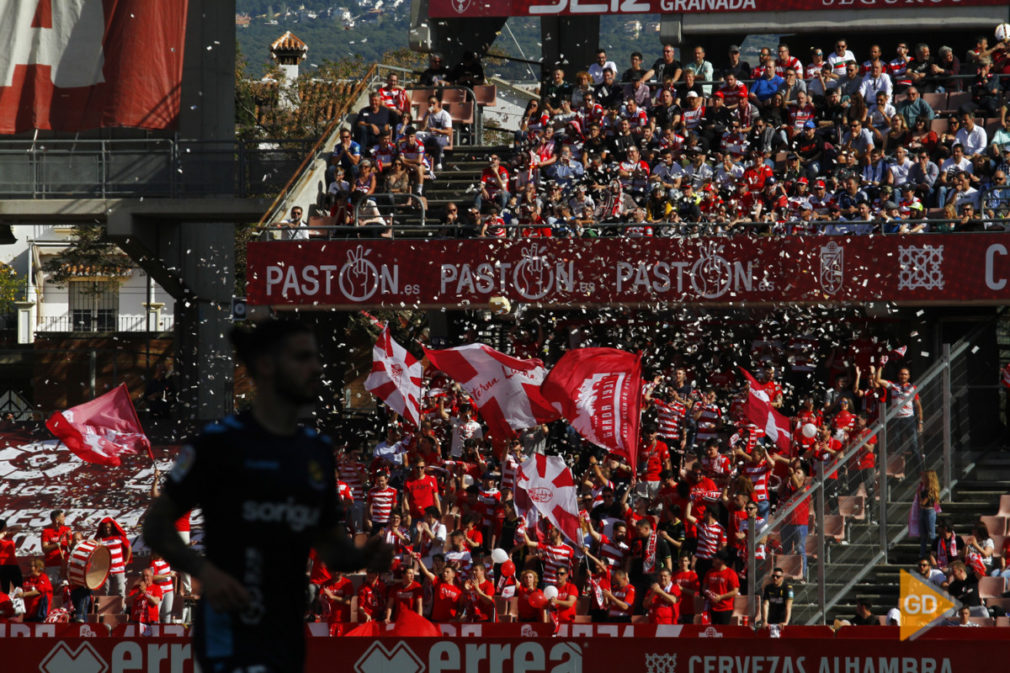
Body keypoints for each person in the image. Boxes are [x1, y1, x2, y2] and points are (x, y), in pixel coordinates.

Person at [143, 318, 391, 673]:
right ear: (267, 366)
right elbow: (156, 525)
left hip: (284, 626)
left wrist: (361, 556)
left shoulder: (315, 451)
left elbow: (329, 543)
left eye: (315, 357)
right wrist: (205, 572)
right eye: (302, 357)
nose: (316, 367)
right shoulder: (217, 443)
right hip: (227, 626)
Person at [702, 549, 739, 625]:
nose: (713, 560)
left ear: (722, 561)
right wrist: (709, 594)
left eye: (715, 558)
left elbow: (735, 591)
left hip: (725, 608)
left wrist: (720, 597)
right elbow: (704, 588)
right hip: (711, 607)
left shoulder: (731, 573)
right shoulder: (709, 572)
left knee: (723, 632)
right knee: (712, 632)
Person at [41, 510, 72, 586]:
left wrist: (68, 539)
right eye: (62, 516)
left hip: (64, 564)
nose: (64, 518)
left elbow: (71, 548)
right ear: (56, 519)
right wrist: (58, 544)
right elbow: (44, 548)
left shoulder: (67, 530)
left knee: (66, 586)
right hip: (52, 565)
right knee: (52, 587)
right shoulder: (46, 531)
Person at [20, 558, 52, 622]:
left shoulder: (43, 577)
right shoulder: (27, 579)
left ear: (38, 567)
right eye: (29, 566)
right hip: (27, 614)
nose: (31, 568)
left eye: (33, 566)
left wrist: (24, 594)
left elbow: (39, 591)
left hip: (39, 614)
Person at [0, 520, 21, 594]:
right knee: (5, 586)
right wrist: (3, 532)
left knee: (19, 584)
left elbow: (19, 527)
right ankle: (7, 602)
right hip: (2, 565)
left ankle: (19, 600)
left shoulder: (8, 536)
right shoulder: (1, 537)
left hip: (13, 563)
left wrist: (7, 529)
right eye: (5, 526)